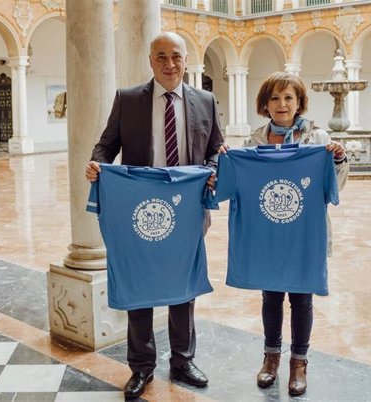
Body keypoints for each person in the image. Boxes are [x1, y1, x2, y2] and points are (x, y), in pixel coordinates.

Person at [85, 32, 223, 399]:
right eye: (161, 56)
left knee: (184, 288)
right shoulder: (128, 99)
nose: (169, 64)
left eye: (176, 56)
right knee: (140, 284)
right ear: (151, 61)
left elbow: (216, 150)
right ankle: (142, 367)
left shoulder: (206, 101)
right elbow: (107, 143)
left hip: (186, 211)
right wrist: (97, 164)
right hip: (139, 210)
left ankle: (183, 360)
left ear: (186, 60)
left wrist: (212, 171)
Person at [229, 71, 348, 396]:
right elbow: (240, 184)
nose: (282, 104)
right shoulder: (253, 142)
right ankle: (270, 359)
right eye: (275, 98)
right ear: (265, 104)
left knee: (301, 297)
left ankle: (299, 362)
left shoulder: (318, 140)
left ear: (299, 103)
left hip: (304, 235)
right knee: (271, 297)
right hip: (268, 234)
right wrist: (228, 163)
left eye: (288, 98)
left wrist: (338, 158)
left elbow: (334, 187)